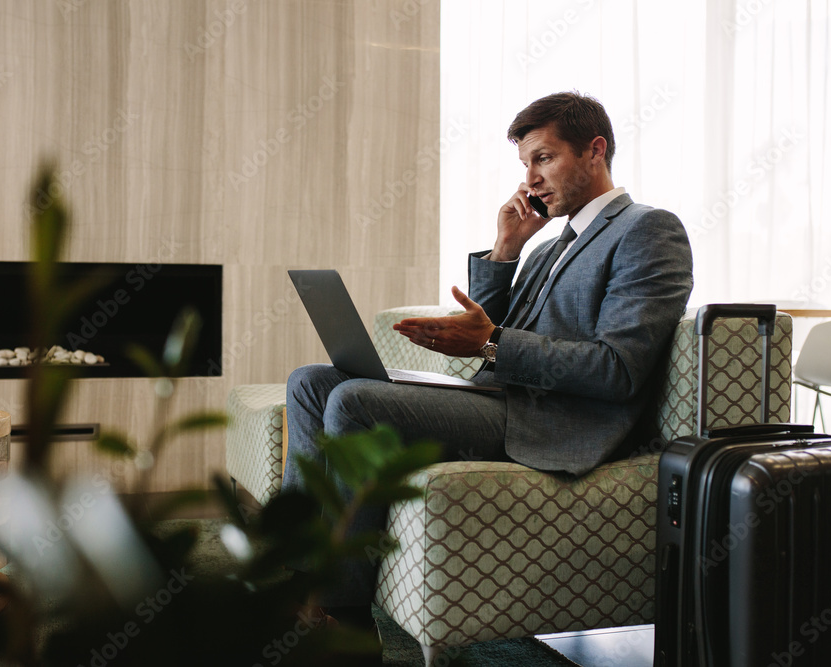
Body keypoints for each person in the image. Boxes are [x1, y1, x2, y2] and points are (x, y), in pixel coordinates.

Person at [281, 91, 693, 633]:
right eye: (525, 165)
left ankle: (345, 618)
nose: (530, 180)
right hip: (499, 398)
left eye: (543, 158)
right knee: (310, 383)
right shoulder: (548, 246)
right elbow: (494, 330)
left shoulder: (647, 229)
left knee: (353, 402)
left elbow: (616, 370)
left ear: (595, 151)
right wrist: (505, 251)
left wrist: (491, 343)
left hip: (555, 421)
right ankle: (289, 574)